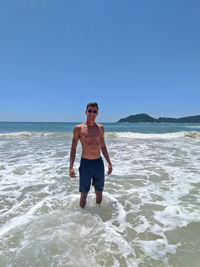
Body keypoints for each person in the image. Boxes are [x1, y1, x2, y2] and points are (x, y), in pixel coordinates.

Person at [69, 102, 112, 208]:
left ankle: (98, 215)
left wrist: (109, 163)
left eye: (94, 111)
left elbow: (103, 146)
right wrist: (70, 167)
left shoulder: (100, 128)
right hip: (85, 164)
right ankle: (82, 218)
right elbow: (73, 148)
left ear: (97, 113)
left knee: (99, 193)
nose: (92, 113)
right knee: (83, 194)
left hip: (98, 163)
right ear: (85, 112)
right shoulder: (78, 128)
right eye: (90, 111)